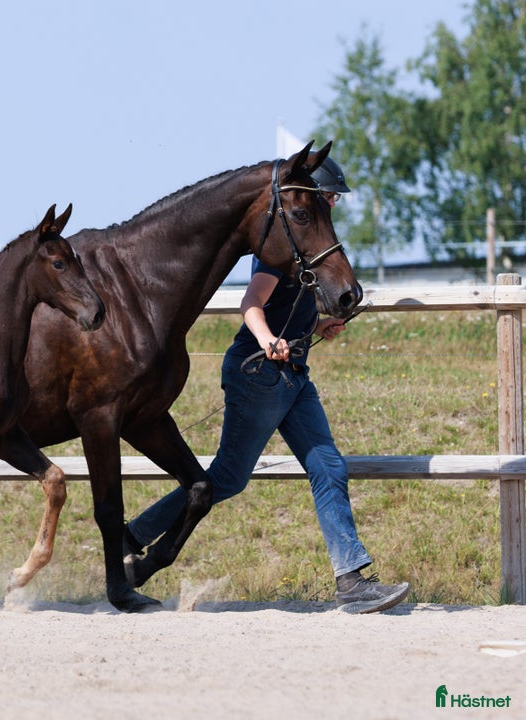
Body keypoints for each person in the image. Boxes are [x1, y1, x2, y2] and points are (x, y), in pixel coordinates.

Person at [123, 156, 410, 614]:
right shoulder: (278, 250)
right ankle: (132, 537)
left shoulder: (307, 247)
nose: (333, 203)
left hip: (293, 374)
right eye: (329, 196)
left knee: (327, 468)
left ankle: (352, 582)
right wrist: (267, 339)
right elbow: (252, 303)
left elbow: (290, 306)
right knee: (228, 479)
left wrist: (316, 327)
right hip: (259, 374)